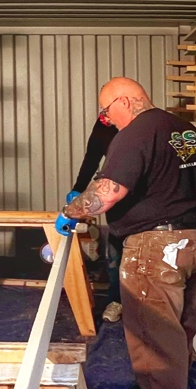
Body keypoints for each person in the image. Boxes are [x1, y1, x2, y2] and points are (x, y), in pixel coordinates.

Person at [55, 76, 196, 389]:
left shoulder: (136, 133)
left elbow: (108, 193)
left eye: (107, 113)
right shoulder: (184, 130)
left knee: (153, 336)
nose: (107, 122)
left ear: (125, 102)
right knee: (178, 329)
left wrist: (71, 211)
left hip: (156, 246)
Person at [68, 115, 122, 323]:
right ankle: (115, 300)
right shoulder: (104, 123)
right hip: (116, 191)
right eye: (104, 110)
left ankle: (142, 305)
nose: (106, 114)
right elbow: (92, 156)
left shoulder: (141, 125)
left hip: (142, 195)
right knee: (116, 249)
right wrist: (78, 189)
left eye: (109, 109)